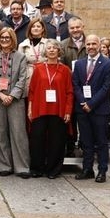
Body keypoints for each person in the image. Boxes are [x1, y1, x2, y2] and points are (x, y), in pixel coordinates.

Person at [72, 34, 110, 183]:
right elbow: (76, 85)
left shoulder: (108, 64)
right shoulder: (78, 64)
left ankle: (102, 171)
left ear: (99, 45)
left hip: (99, 110)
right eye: (88, 44)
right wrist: (83, 102)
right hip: (82, 109)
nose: (91, 47)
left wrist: (91, 104)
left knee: (101, 141)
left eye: (93, 44)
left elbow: (106, 88)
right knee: (86, 141)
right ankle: (87, 169)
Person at [28, 39, 74, 178]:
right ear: (45, 51)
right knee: (37, 139)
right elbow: (32, 90)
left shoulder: (65, 70)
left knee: (57, 140)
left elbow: (69, 92)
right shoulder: (38, 68)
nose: (52, 50)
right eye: (49, 48)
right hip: (39, 108)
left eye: (55, 48)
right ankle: (37, 168)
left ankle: (53, 170)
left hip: (58, 109)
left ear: (59, 51)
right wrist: (30, 108)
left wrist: (68, 110)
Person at [0, 27, 30, 177]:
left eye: (7, 38)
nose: (5, 40)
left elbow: (22, 78)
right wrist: (0, 94)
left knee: (18, 132)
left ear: (12, 39)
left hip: (15, 99)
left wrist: (12, 95)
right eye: (2, 38)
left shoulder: (20, 57)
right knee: (0, 132)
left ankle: (22, 167)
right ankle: (3, 165)